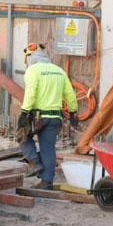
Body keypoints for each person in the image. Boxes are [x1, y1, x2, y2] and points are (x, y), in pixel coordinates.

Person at [18, 43, 79, 190]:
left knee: (22, 136)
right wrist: (73, 112)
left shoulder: (32, 70)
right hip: (55, 118)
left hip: (37, 117)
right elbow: (70, 94)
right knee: (48, 149)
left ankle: (33, 162)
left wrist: (24, 112)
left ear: (29, 57)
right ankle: (46, 182)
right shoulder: (59, 71)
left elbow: (31, 92)